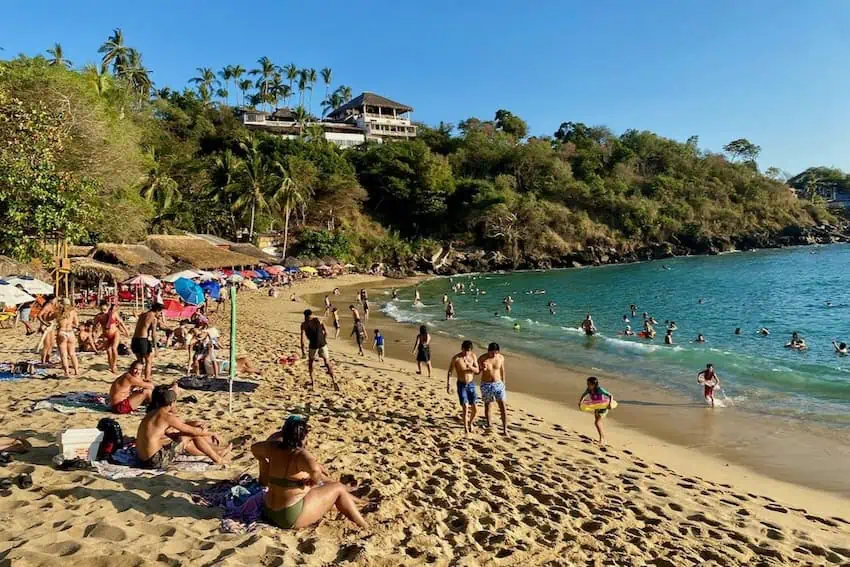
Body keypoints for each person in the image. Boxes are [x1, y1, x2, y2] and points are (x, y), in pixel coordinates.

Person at [251, 415, 369, 530]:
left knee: (317, 489)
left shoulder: (272, 447)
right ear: (304, 435)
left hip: (269, 512)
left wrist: (263, 462)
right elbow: (317, 476)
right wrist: (314, 482)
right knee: (336, 488)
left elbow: (254, 448)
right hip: (288, 516)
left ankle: (359, 501)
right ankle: (364, 526)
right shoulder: (301, 455)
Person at [136, 385, 229, 468]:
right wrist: (210, 432)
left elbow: (172, 433)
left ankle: (217, 452)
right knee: (191, 435)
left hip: (142, 460)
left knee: (185, 436)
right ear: (172, 403)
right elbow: (193, 432)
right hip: (154, 461)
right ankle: (218, 459)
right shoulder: (167, 417)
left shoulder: (152, 413)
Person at [299, 310, 338, 391]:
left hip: (313, 345)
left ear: (305, 316)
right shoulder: (319, 320)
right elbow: (326, 332)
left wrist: (303, 351)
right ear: (311, 315)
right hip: (323, 344)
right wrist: (323, 340)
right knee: (327, 362)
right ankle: (334, 380)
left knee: (311, 363)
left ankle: (313, 383)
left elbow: (302, 340)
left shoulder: (304, 325)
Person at [447, 340, 480, 434]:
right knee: (465, 406)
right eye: (464, 350)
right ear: (462, 348)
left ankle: (470, 423)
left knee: (475, 409)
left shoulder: (473, 356)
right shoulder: (456, 358)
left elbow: (477, 371)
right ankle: (466, 427)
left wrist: (470, 367)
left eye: (468, 351)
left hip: (471, 384)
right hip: (461, 384)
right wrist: (448, 385)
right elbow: (450, 371)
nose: (466, 353)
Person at [478, 343, 507, 435]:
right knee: (488, 405)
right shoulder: (482, 358)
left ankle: (505, 429)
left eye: (495, 352)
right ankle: (489, 424)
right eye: (491, 353)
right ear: (488, 351)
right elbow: (477, 372)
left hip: (498, 384)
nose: (493, 355)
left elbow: (502, 370)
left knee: (502, 406)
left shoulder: (501, 358)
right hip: (486, 384)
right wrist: (482, 368)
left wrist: (504, 383)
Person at [93, 300, 128, 374]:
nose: (103, 311)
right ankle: (111, 365)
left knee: (114, 348)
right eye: (101, 310)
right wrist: (94, 333)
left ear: (108, 308)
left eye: (105, 310)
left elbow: (121, 322)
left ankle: (114, 365)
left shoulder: (113, 314)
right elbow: (94, 325)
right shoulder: (99, 316)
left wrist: (126, 331)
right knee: (108, 351)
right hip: (106, 335)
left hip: (115, 333)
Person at [132, 303, 163, 382]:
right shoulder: (153, 318)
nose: (160, 314)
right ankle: (147, 379)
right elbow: (153, 334)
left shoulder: (142, 315)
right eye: (160, 312)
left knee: (139, 362)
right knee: (148, 361)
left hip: (135, 339)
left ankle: (137, 379)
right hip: (143, 340)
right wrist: (156, 348)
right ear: (157, 310)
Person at [578, 377, 613, 445]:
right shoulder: (589, 389)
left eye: (589, 384)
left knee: (597, 422)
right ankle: (603, 438)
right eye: (587, 384)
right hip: (596, 407)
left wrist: (610, 404)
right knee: (598, 422)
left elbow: (610, 395)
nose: (587, 385)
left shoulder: (600, 389)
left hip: (603, 407)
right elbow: (584, 395)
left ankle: (602, 439)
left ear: (594, 384)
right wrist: (580, 402)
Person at [55, 298, 80, 377]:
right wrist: (70, 324)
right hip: (70, 332)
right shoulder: (73, 312)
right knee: (72, 353)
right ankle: (76, 370)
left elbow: (49, 318)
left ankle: (67, 372)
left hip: (61, 332)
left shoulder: (58, 312)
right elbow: (76, 324)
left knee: (63, 354)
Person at [37, 295, 58, 364]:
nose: (56, 300)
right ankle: (43, 360)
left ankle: (47, 359)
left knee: (51, 343)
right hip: (46, 325)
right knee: (46, 344)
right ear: (51, 300)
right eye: (55, 299)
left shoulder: (53, 306)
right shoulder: (47, 306)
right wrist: (44, 323)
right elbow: (39, 315)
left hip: (51, 325)